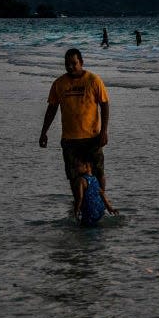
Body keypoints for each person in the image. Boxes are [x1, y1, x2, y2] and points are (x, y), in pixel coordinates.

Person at [39, 49, 110, 193]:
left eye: (74, 63)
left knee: (98, 171)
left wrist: (104, 131)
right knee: (73, 175)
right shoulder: (59, 83)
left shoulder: (93, 80)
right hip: (70, 139)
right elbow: (52, 108)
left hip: (92, 137)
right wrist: (43, 132)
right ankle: (77, 204)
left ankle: (101, 201)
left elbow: (104, 105)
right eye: (67, 63)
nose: (70, 66)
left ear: (81, 63)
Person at [73, 158, 117, 226]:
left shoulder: (81, 180)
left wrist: (76, 210)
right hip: (99, 211)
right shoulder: (94, 178)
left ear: (86, 166)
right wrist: (109, 208)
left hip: (89, 211)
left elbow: (80, 197)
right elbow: (102, 193)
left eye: (78, 166)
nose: (75, 168)